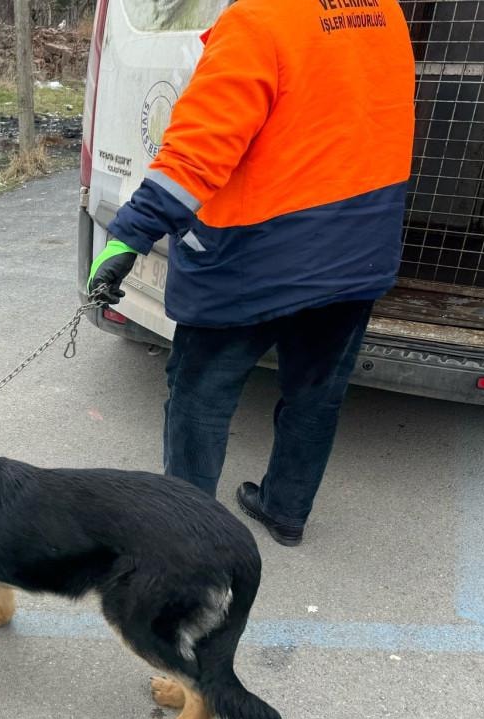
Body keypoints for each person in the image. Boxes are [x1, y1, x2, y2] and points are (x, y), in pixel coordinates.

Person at [88, 0, 415, 547]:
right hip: (356, 248)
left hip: (252, 257)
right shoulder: (385, 11)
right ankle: (286, 510)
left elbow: (197, 153)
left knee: (200, 398)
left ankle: (188, 535)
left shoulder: (259, 21)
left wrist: (127, 236)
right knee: (316, 394)